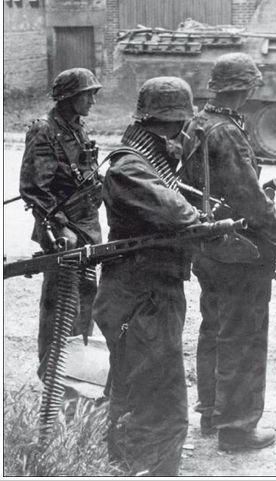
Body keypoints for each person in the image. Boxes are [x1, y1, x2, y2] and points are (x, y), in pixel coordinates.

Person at [181, 53, 276, 451]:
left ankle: (212, 413)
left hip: (208, 245)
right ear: (245, 88)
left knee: (214, 327)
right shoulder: (227, 131)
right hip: (238, 247)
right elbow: (248, 195)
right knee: (243, 335)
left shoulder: (197, 123)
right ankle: (238, 427)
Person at [92, 77, 205, 476]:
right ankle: (145, 470)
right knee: (156, 402)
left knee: (142, 391)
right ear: (171, 124)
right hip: (140, 296)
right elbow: (178, 215)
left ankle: (132, 466)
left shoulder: (148, 162)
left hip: (148, 291)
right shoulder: (130, 168)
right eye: (181, 127)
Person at [19, 67, 103, 379]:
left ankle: (76, 373)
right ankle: (52, 375)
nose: (93, 101)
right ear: (69, 98)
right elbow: (33, 188)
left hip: (87, 228)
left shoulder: (76, 128)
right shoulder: (45, 131)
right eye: (87, 95)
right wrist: (60, 226)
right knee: (61, 306)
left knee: (85, 300)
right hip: (62, 231)